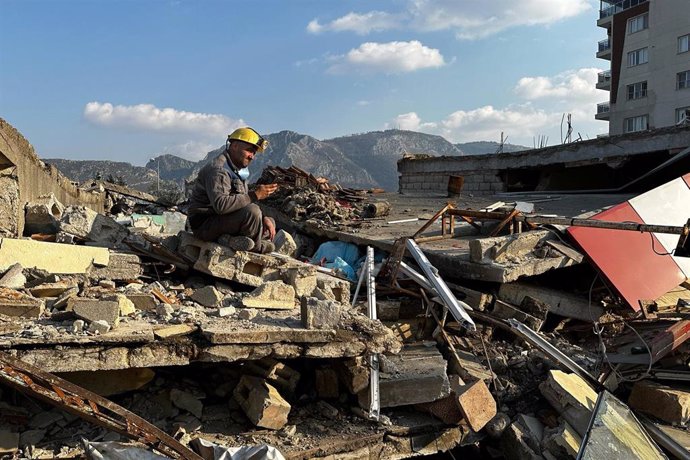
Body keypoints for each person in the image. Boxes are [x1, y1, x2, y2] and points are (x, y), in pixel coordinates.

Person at [186, 127, 278, 254]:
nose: (252, 156)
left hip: (222, 221)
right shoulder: (219, 170)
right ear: (234, 146)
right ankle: (258, 247)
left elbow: (240, 201)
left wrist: (264, 218)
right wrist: (255, 195)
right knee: (252, 212)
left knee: (269, 221)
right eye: (249, 151)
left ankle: (228, 240)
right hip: (205, 225)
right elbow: (221, 205)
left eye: (254, 153)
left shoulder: (237, 170)